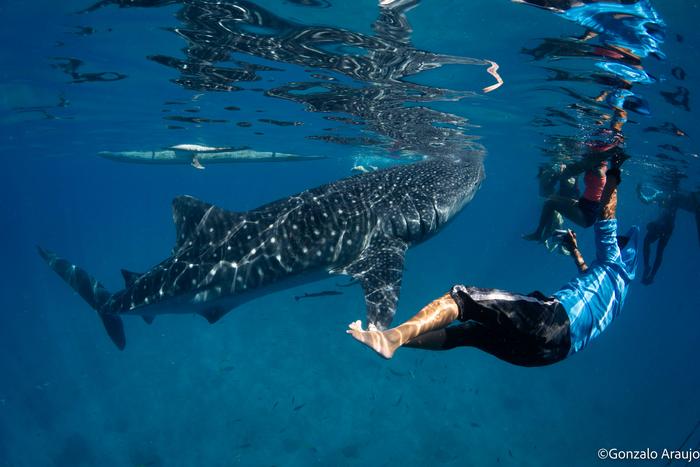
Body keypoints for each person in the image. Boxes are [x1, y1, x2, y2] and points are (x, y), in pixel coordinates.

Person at [348, 168, 639, 364]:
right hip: (549, 355)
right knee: (469, 334)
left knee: (462, 299)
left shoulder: (613, 259)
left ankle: (390, 339)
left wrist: (613, 172)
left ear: (623, 250)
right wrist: (575, 252)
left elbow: (607, 214)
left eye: (620, 242)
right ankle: (394, 339)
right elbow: (589, 277)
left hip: (553, 319)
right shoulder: (619, 289)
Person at [639, 183, 700, 284]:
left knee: (650, 244)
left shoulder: (663, 194)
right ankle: (650, 272)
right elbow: (690, 205)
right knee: (659, 250)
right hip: (667, 227)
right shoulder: (670, 195)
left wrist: (639, 192)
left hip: (663, 226)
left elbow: (646, 200)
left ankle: (648, 269)